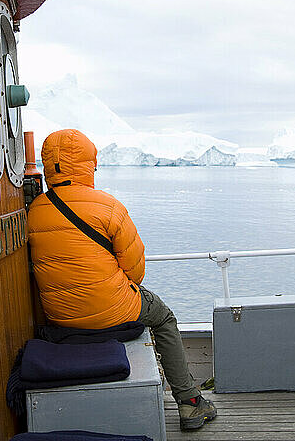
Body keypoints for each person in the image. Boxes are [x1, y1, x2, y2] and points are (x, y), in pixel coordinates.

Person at [28, 129, 217, 431]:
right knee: (164, 316)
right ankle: (190, 402)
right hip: (112, 311)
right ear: (88, 164)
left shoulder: (34, 211)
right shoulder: (108, 206)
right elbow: (137, 271)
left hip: (61, 318)